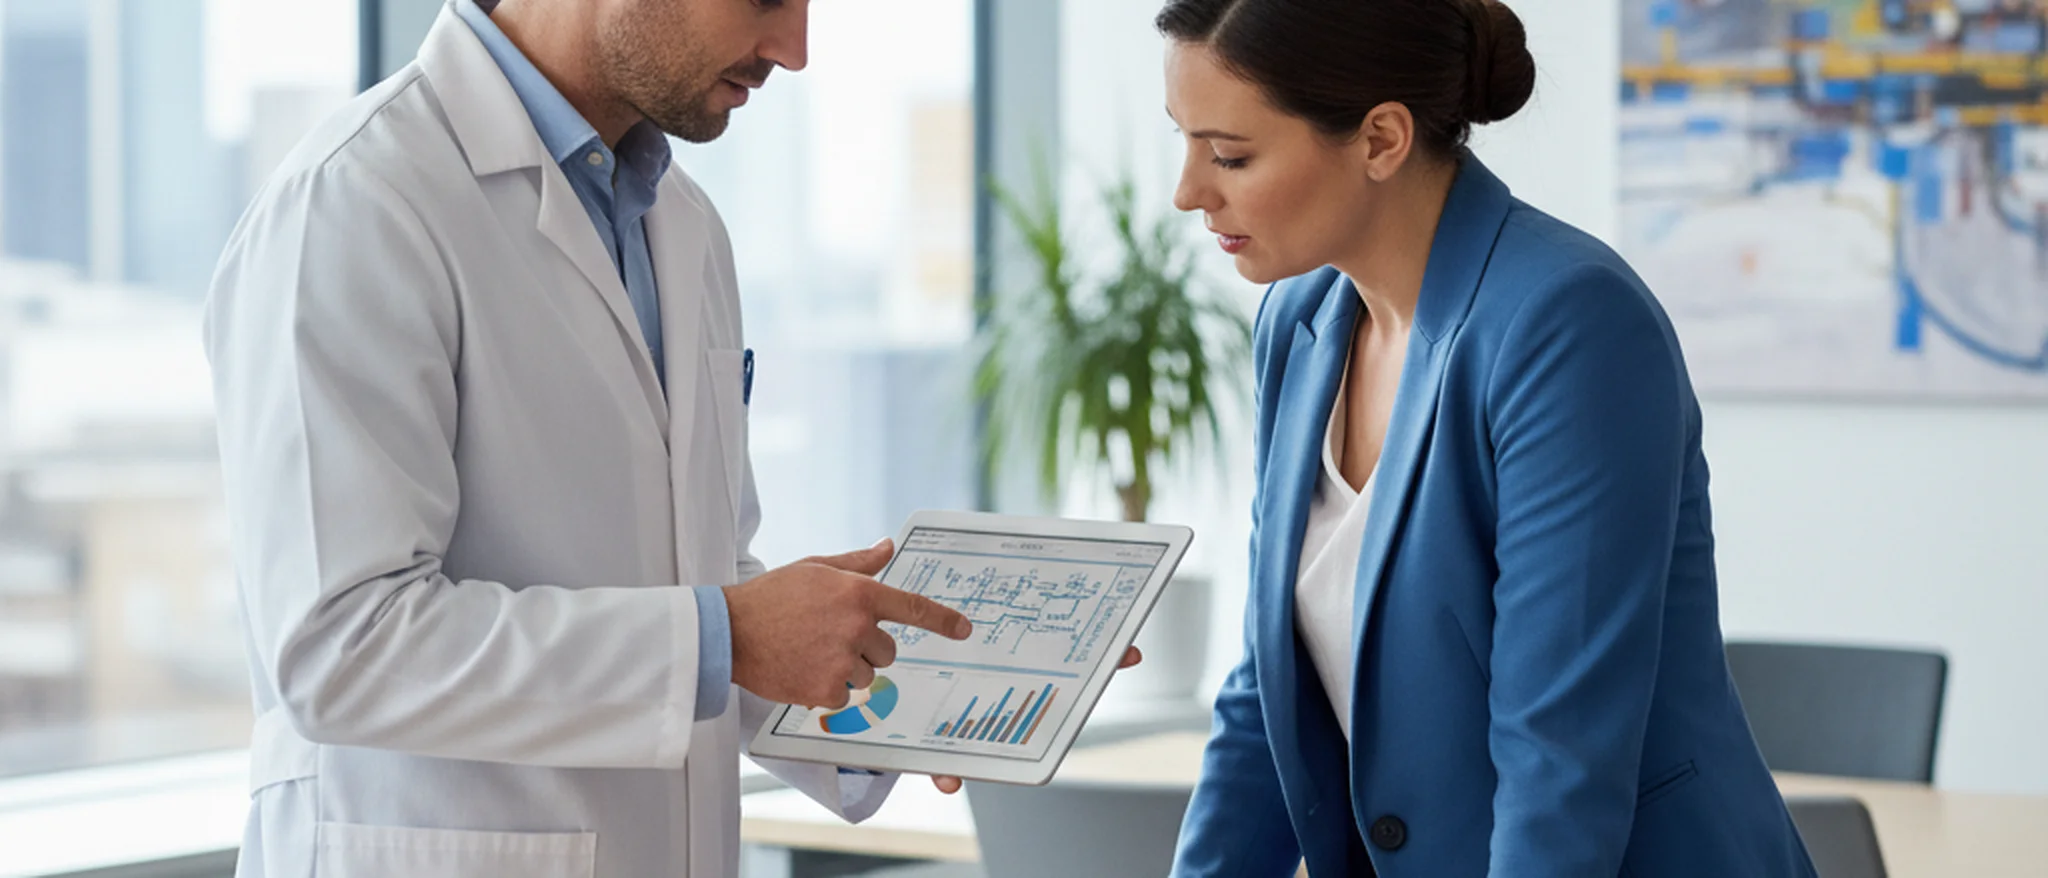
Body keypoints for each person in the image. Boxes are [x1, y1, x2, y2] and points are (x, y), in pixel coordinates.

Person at [205, 0, 1137, 874]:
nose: (795, 49)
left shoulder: (680, 224)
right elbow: (340, 647)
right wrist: (725, 634)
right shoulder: (356, 202)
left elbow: (701, 582)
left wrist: (915, 690)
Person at [1156, 1, 1818, 876]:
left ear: (1382, 139)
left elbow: (1560, 757)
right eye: (1187, 142)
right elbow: (1266, 698)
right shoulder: (1300, 322)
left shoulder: (1566, 322)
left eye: (1230, 154)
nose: (1189, 191)